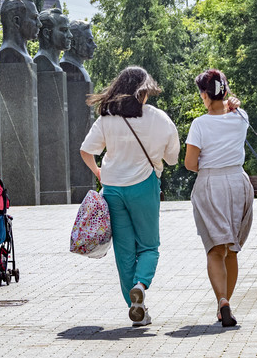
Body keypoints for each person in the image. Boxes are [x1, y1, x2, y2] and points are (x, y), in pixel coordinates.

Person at [79, 66, 180, 327]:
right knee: (148, 246)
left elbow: (86, 150)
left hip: (112, 188)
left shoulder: (107, 118)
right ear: (143, 91)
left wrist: (98, 172)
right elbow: (172, 158)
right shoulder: (160, 119)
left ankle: (135, 307)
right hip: (144, 186)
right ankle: (141, 285)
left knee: (124, 252)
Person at [184, 69, 252, 327]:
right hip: (238, 183)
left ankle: (222, 300)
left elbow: (191, 163)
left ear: (204, 95)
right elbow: (235, 107)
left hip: (210, 183)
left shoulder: (199, 124)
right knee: (231, 249)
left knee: (215, 249)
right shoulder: (241, 117)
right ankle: (225, 305)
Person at [0, 0, 41, 64]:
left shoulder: (24, 55)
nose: (39, 24)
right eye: (34, 18)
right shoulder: (10, 52)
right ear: (16, 21)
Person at [34, 8, 72, 72]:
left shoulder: (54, 63)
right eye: (64, 30)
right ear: (46, 33)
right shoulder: (42, 61)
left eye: (69, 30)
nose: (70, 35)